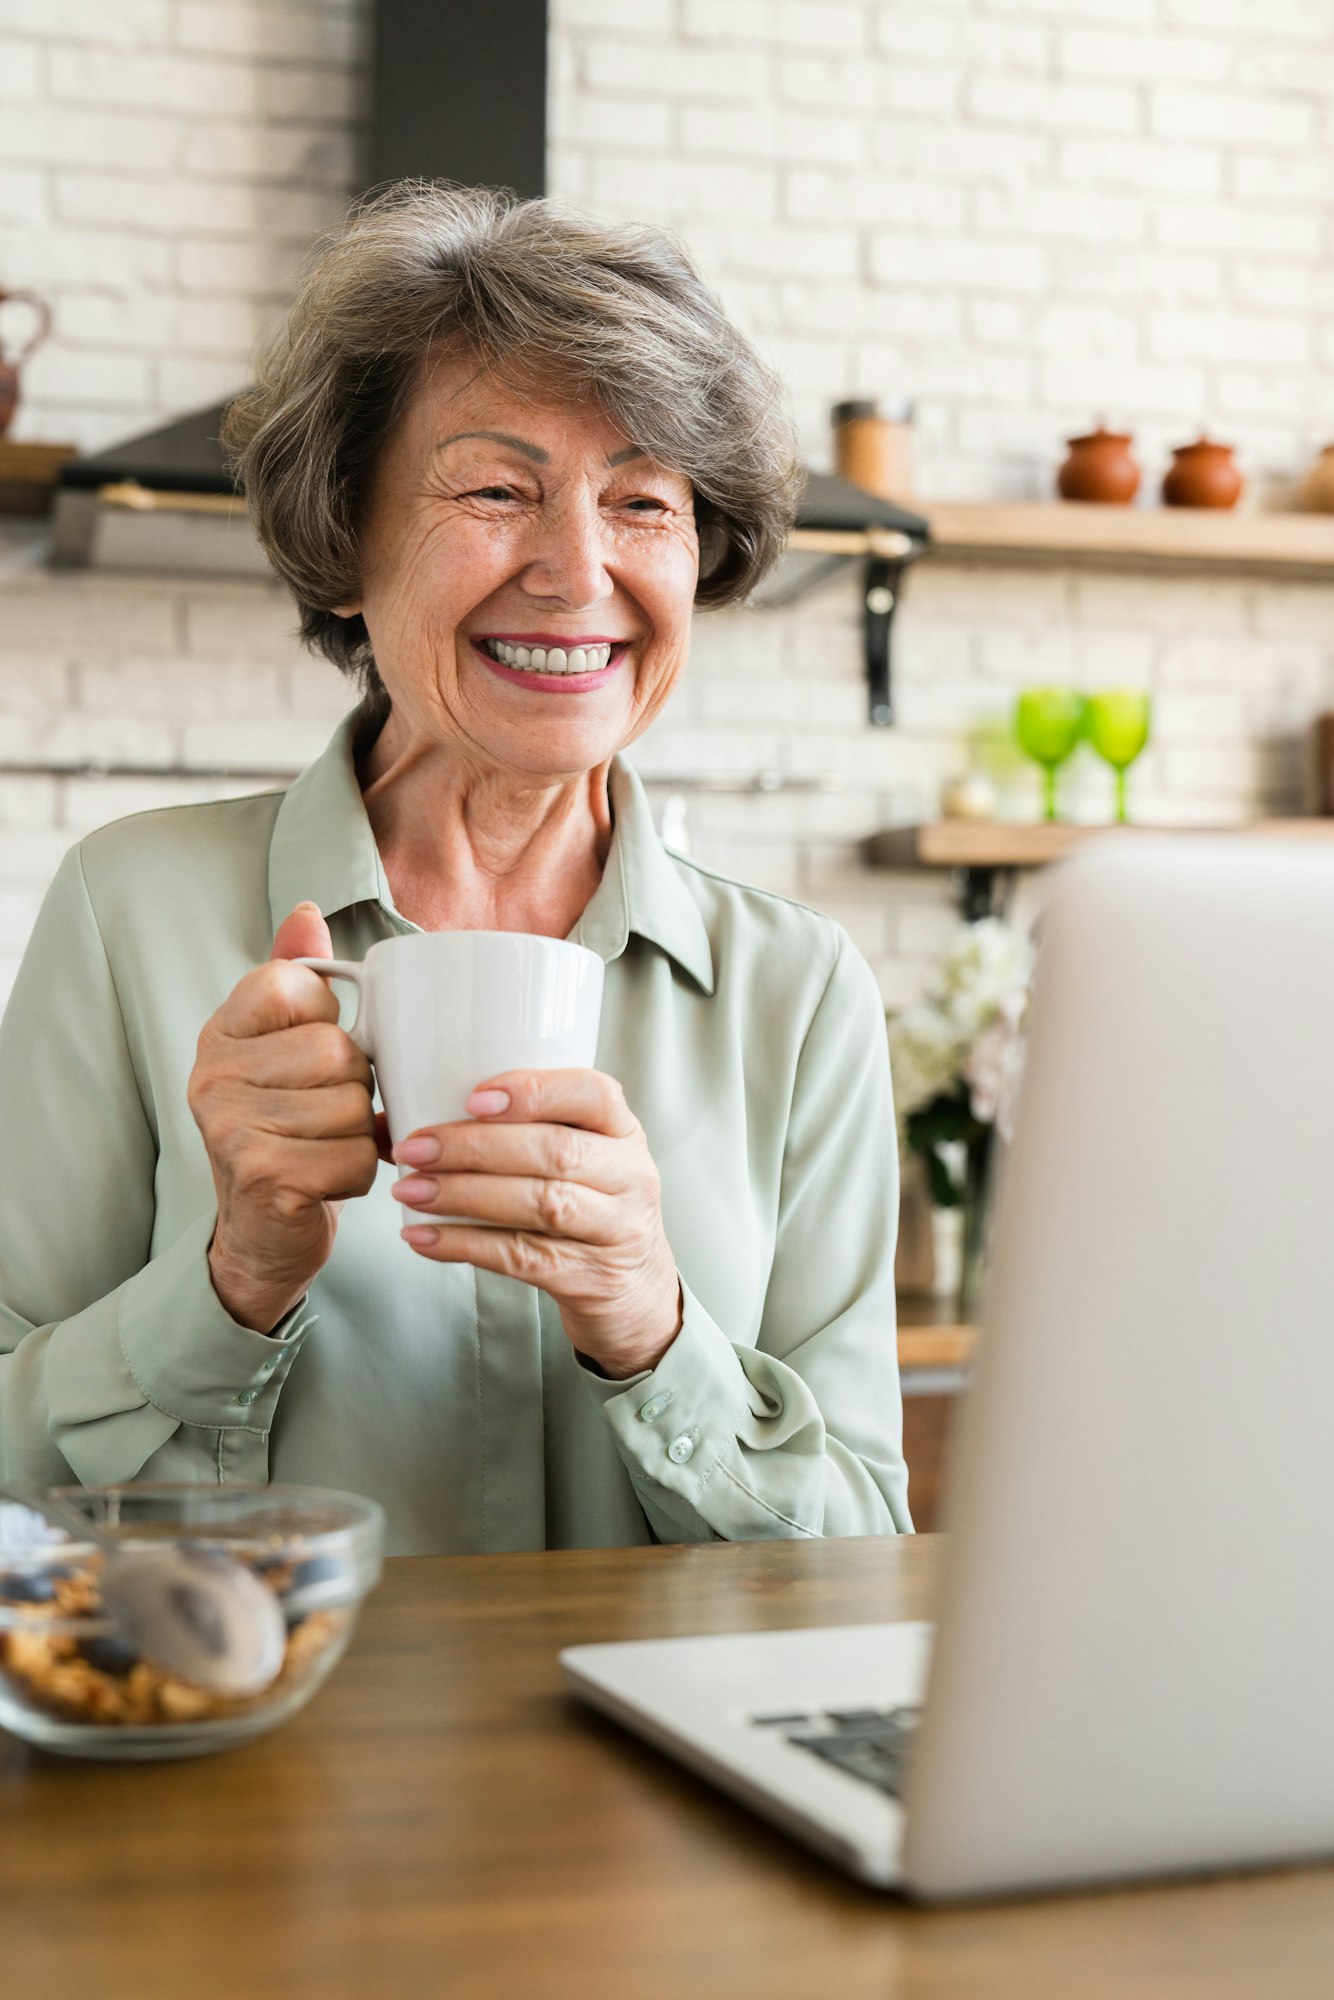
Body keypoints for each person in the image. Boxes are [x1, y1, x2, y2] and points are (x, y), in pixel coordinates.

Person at [0, 184, 910, 1554]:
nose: (576, 570)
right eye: (497, 490)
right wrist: (230, 1276)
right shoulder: (133, 911)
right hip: (270, 1755)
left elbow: (861, 1552)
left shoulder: (795, 986)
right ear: (345, 545)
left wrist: (650, 1326)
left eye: (643, 502)